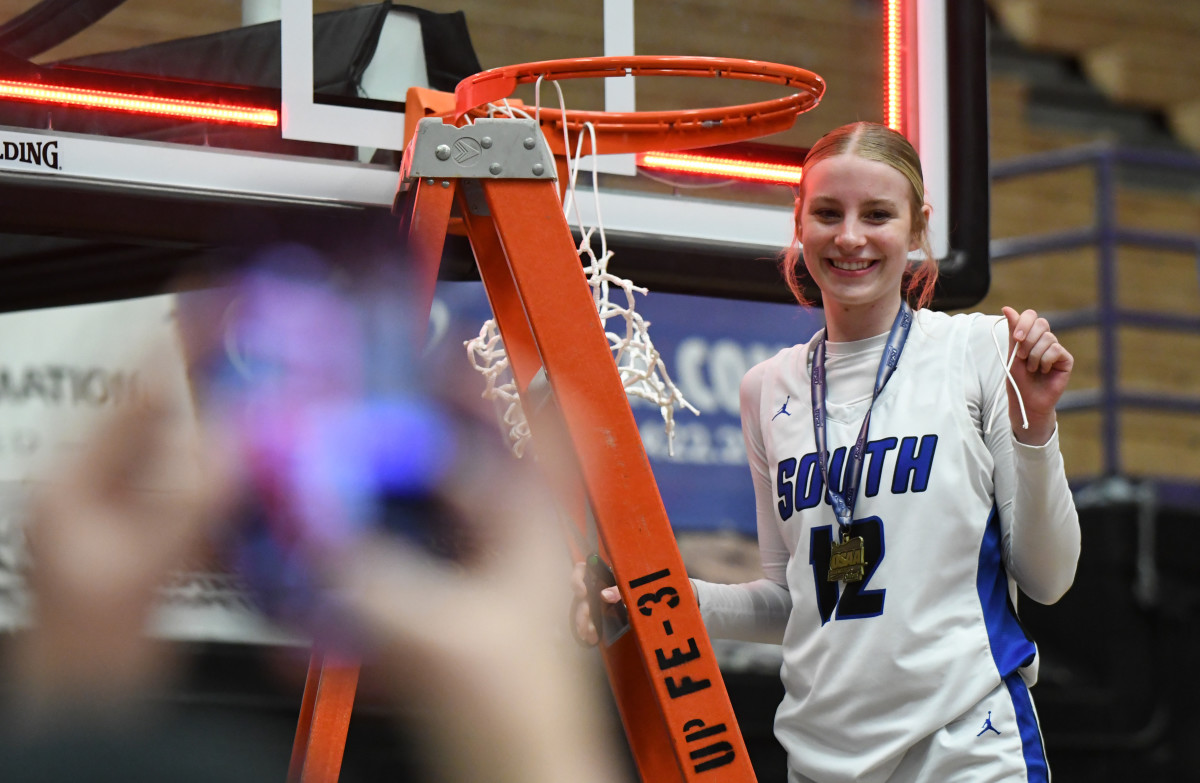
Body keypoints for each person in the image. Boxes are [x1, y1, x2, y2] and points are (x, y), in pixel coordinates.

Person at [575, 121, 1081, 783]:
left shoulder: (979, 351)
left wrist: (1036, 426)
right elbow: (794, 601)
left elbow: (1049, 577)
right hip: (824, 759)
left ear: (918, 227)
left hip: (969, 750)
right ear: (799, 222)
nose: (849, 237)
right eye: (827, 213)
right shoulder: (767, 388)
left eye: (877, 215)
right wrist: (661, 599)